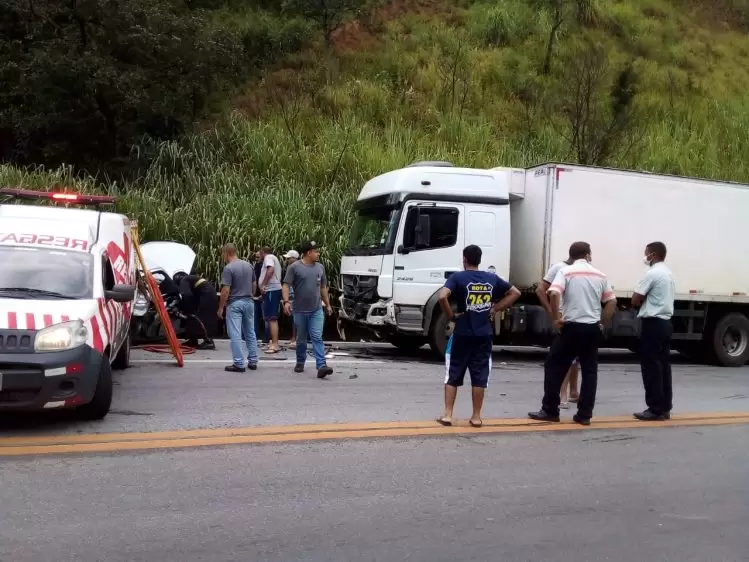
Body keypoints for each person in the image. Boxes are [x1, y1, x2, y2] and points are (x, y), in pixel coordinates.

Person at [528, 242, 617, 425]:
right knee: (590, 371)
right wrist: (602, 324)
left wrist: (555, 318)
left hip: (570, 326)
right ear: (588, 255)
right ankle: (584, 415)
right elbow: (611, 302)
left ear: (572, 255)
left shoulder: (565, 272)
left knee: (554, 365)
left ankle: (550, 410)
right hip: (591, 328)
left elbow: (553, 293)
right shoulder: (600, 275)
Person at [436, 245, 521, 428]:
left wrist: (451, 316)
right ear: (479, 260)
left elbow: (443, 296)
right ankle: (476, 417)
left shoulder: (457, 277)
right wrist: (496, 308)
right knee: (479, 375)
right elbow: (516, 293)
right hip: (484, 334)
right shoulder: (491, 278)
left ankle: (448, 414)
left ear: (464, 259)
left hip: (462, 332)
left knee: (454, 373)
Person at [631, 241, 675, 421]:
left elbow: (635, 299)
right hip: (665, 323)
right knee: (663, 366)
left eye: (646, 253)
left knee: (651, 367)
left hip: (653, 324)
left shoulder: (652, 273)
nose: (645, 256)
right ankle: (665, 407)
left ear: (653, 255)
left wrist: (639, 302)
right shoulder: (668, 273)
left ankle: (654, 408)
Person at [282, 240, 334, 378]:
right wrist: (286, 302)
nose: (318, 253)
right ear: (309, 253)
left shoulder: (320, 268)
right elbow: (286, 285)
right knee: (301, 339)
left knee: (317, 337)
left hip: (316, 310)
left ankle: (321, 365)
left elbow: (323, 288)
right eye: (316, 251)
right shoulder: (294, 267)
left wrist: (327, 304)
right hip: (299, 310)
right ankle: (300, 361)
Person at [536, 256, 580, 409]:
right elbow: (541, 289)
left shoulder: (581, 270)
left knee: (575, 357)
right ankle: (563, 394)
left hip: (574, 316)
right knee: (565, 356)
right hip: (562, 315)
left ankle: (574, 391)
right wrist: (551, 311)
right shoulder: (559, 268)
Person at [217, 244, 259, 373]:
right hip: (249, 302)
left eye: (223, 254)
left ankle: (239, 363)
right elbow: (254, 284)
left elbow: (225, 290)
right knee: (250, 332)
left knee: (235, 333)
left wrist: (220, 307)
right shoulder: (248, 265)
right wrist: (251, 295)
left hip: (235, 303)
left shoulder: (229, 268)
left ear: (227, 253)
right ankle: (253, 361)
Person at [174, 271, 217, 350]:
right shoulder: (191, 279)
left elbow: (186, 296)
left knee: (202, 318)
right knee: (193, 316)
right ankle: (192, 340)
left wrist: (182, 308)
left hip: (206, 295)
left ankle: (209, 342)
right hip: (208, 294)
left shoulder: (184, 280)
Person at [258, 246, 283, 354]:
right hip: (270, 291)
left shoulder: (268, 257)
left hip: (272, 290)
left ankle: (275, 344)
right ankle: (271, 343)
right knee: (269, 317)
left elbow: (270, 270)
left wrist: (263, 284)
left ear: (263, 252)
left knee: (272, 318)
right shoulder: (273, 257)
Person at [283, 249, 299, 345]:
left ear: (293, 258)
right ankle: (294, 338)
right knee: (294, 318)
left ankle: (296, 339)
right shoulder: (292, 267)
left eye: (288, 258)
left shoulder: (294, 267)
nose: (287, 260)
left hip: (295, 295)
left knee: (296, 318)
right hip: (292, 295)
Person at [252, 250, 267, 346]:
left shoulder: (265, 266)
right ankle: (255, 336)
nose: (256, 259)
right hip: (256, 295)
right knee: (255, 317)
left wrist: (262, 295)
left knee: (266, 318)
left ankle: (266, 338)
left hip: (263, 295)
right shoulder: (256, 266)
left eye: (258, 257)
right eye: (255, 257)